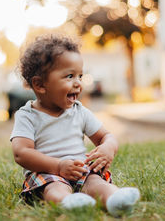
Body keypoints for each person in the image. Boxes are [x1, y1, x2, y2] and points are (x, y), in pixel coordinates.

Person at [10, 34, 140, 217]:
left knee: (96, 183)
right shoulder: (27, 116)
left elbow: (106, 136)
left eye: (80, 75)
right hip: (48, 172)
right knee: (54, 188)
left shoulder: (80, 112)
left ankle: (116, 199)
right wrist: (58, 167)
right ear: (40, 85)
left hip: (80, 170)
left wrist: (108, 147)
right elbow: (21, 153)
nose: (78, 83)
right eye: (70, 76)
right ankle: (68, 203)